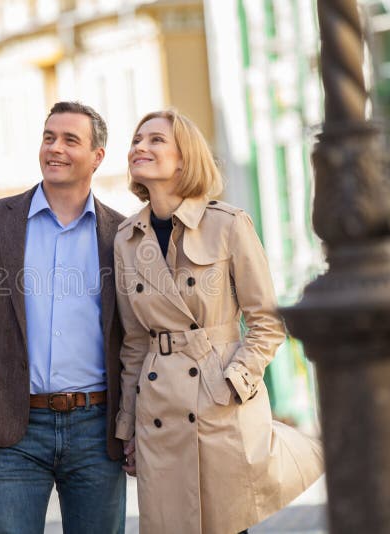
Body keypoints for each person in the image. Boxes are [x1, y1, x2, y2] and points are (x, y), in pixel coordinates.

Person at [114, 109, 324, 534]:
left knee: (229, 527)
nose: (140, 147)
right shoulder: (126, 238)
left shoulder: (228, 224)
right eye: (137, 139)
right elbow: (135, 342)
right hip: (160, 411)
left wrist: (233, 384)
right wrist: (128, 426)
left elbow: (266, 320)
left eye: (156, 140)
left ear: (184, 158)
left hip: (219, 402)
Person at [0, 101, 127, 534]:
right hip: (14, 430)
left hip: (96, 431)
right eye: (49, 137)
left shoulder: (121, 235)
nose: (55, 148)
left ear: (97, 156)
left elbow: (135, 338)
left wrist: (134, 424)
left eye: (70, 140)